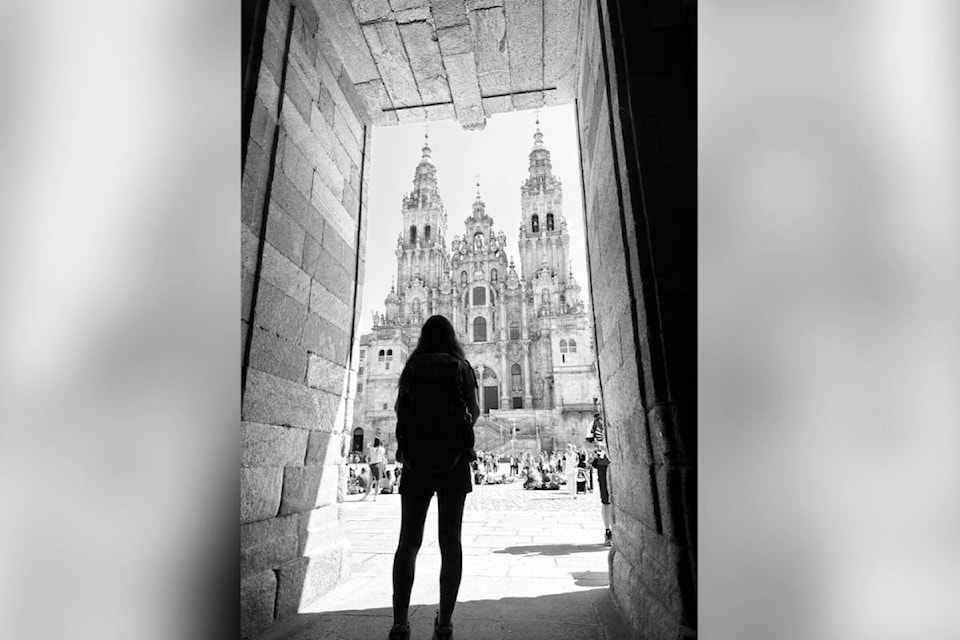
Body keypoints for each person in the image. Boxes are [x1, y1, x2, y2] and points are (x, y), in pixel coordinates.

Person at [389, 315, 480, 640]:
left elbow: (401, 410)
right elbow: (474, 411)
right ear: (453, 338)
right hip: (454, 463)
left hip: (416, 464)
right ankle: (444, 625)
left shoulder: (412, 368)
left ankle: (400, 623)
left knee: (408, 544)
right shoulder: (462, 367)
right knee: (450, 544)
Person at [591, 444, 613, 545]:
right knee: (606, 499)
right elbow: (587, 443)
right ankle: (608, 531)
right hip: (603, 464)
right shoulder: (594, 427)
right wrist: (597, 447)